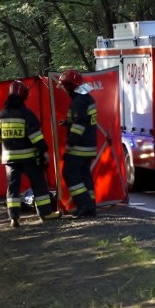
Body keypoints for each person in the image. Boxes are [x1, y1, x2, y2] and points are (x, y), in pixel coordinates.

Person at [0, 80, 60, 228]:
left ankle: (14, 218)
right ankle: (45, 214)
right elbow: (35, 137)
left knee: (13, 188)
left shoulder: (0, 115)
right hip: (29, 158)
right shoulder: (27, 115)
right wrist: (44, 151)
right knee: (39, 184)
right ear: (24, 96)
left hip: (9, 159)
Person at [58, 69, 98, 217]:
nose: (64, 89)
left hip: (78, 148)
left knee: (69, 174)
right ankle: (91, 206)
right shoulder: (88, 99)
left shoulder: (78, 103)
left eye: (65, 86)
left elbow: (79, 126)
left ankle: (84, 205)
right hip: (89, 146)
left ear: (70, 86)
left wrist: (70, 143)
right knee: (85, 176)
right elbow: (83, 121)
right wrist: (68, 123)